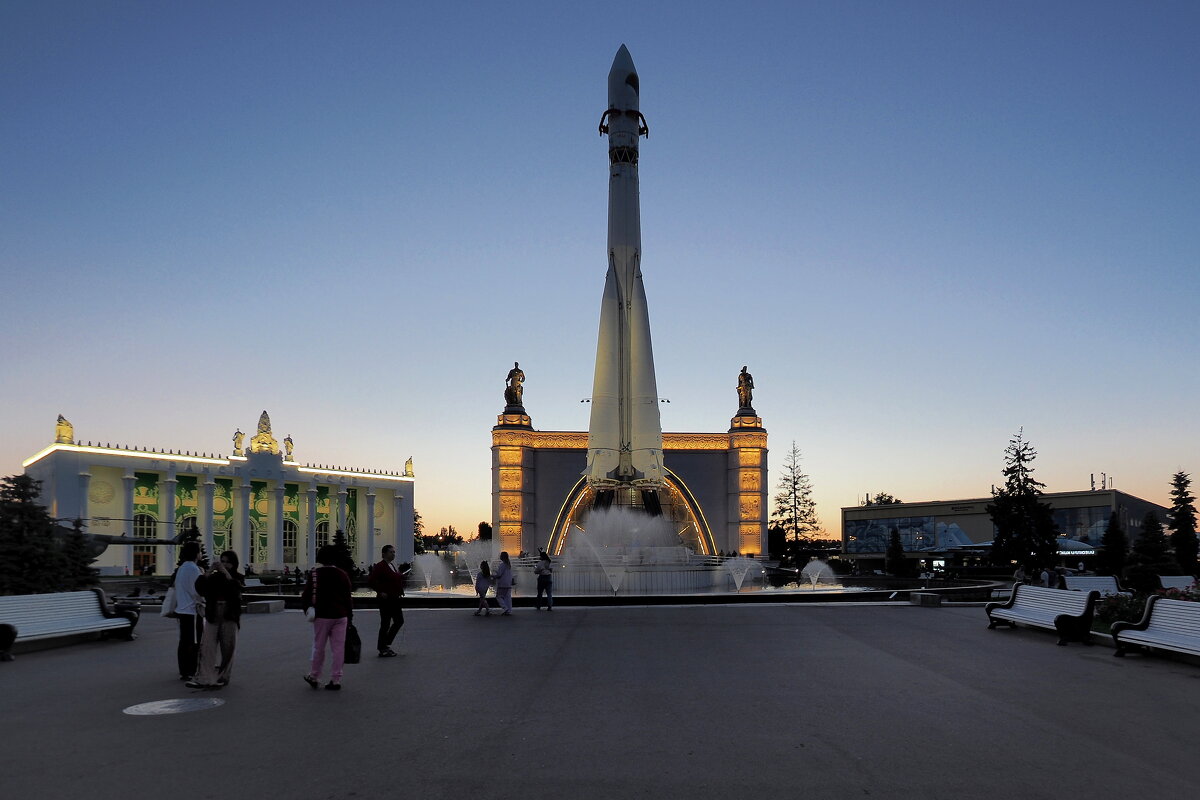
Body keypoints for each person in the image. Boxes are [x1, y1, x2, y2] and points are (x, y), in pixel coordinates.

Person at [188, 550, 244, 689]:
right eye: (222, 561)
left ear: (233, 563)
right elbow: (200, 588)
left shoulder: (237, 577)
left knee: (228, 647)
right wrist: (208, 571)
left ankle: (222, 677)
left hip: (229, 614)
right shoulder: (214, 577)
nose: (224, 565)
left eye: (227, 562)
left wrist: (226, 573)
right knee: (207, 646)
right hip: (213, 613)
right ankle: (204, 677)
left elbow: (236, 590)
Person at [301, 544, 354, 691]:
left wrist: (307, 610)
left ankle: (314, 676)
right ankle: (336, 679)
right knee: (338, 649)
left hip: (322, 616)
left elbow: (306, 596)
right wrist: (350, 616)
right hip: (341, 615)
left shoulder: (315, 574)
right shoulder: (342, 574)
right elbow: (348, 598)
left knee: (319, 647)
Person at [367, 545, 410, 657]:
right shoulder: (380, 566)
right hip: (386, 600)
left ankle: (384, 644)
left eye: (394, 552)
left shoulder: (391, 565)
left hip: (394, 598)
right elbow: (371, 580)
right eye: (391, 552)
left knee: (398, 621)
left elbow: (393, 578)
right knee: (386, 623)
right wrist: (380, 591)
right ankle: (383, 647)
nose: (393, 554)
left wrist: (401, 576)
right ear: (384, 554)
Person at [173, 541, 204, 681]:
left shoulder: (182, 568)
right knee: (192, 642)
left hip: (182, 610)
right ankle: (191, 670)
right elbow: (197, 590)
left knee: (184, 641)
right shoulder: (193, 568)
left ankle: (184, 670)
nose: (201, 553)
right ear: (196, 553)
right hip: (191, 611)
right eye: (200, 550)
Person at [493, 551, 514, 615]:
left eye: (500, 555)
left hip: (502, 584)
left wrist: (493, 576)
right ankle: (509, 610)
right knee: (508, 598)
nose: (499, 556)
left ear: (502, 557)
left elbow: (499, 575)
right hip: (508, 584)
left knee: (498, 597)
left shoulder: (502, 565)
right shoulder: (509, 565)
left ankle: (505, 608)